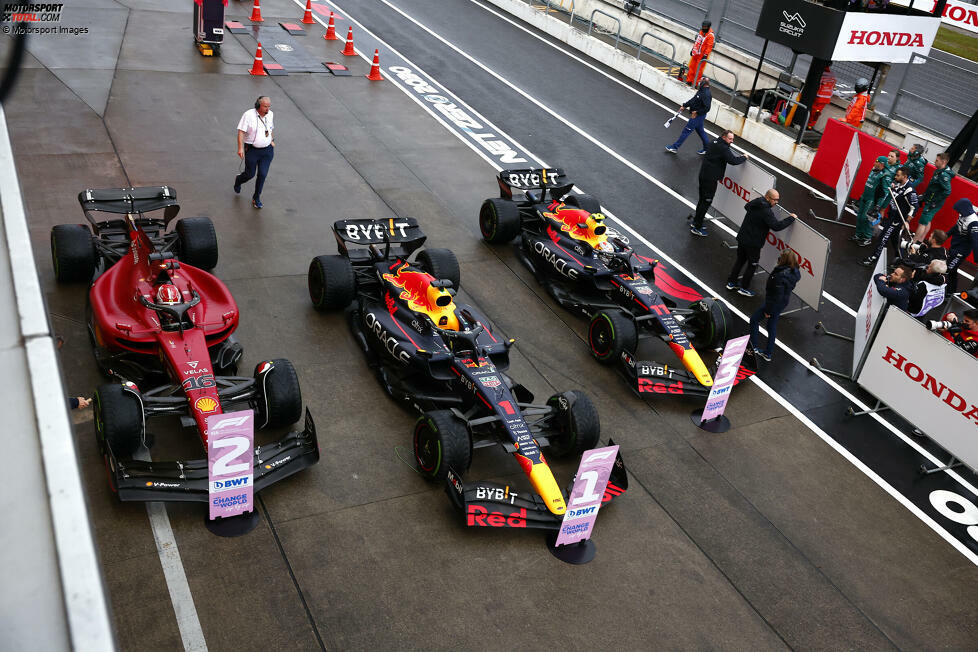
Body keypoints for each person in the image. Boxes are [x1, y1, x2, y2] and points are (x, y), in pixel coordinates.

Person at [726, 189, 796, 297]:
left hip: (743, 237)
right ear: (767, 198)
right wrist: (791, 218)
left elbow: (746, 206)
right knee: (752, 265)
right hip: (753, 243)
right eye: (775, 200)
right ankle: (744, 288)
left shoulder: (756, 202)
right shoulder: (766, 211)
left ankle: (731, 282)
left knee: (740, 260)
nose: (776, 202)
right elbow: (776, 226)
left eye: (778, 200)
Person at [689, 130, 747, 237]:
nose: (732, 141)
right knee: (706, 202)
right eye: (730, 139)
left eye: (732, 139)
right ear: (724, 137)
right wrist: (744, 157)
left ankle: (696, 222)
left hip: (703, 175)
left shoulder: (714, 142)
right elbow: (733, 160)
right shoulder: (723, 148)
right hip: (710, 179)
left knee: (702, 200)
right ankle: (697, 227)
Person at [748, 249, 801, 362]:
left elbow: (776, 295)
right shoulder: (794, 272)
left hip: (773, 303)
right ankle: (768, 353)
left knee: (754, 320)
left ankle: (754, 347)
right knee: (771, 327)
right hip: (782, 302)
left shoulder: (780, 276)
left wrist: (768, 311)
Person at [861, 166, 918, 267]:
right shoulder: (897, 184)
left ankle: (873, 258)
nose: (895, 177)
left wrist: (907, 222)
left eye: (898, 175)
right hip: (892, 216)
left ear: (904, 177)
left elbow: (914, 208)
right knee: (896, 241)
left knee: (882, 238)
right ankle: (900, 261)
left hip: (897, 220)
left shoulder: (910, 190)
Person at [234, 95, 275, 209]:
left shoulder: (270, 114)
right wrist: (240, 148)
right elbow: (241, 132)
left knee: (262, 174)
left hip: (267, 151)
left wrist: (272, 140)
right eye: (265, 106)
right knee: (250, 174)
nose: (267, 109)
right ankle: (238, 180)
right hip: (252, 150)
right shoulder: (248, 115)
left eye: (269, 106)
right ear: (258, 105)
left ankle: (256, 198)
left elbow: (270, 128)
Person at [913, 152, 954, 243]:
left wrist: (935, 201)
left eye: (937, 160)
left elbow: (947, 191)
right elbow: (933, 187)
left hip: (933, 202)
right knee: (927, 221)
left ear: (943, 162)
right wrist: (924, 196)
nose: (935, 162)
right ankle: (920, 241)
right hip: (930, 200)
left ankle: (914, 242)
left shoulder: (944, 175)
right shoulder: (939, 172)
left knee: (922, 223)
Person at [850, 155, 890, 246]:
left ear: (882, 164)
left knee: (866, 219)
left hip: (872, 200)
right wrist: (861, 197)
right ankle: (858, 235)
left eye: (876, 161)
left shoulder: (885, 176)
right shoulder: (873, 170)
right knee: (860, 217)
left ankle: (867, 238)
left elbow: (884, 192)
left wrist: (878, 206)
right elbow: (868, 185)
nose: (874, 162)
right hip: (864, 197)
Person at [665, 78, 712, 155]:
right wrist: (684, 105)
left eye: (700, 81)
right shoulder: (701, 90)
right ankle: (707, 149)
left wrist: (697, 112)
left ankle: (674, 147)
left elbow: (707, 108)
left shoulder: (706, 94)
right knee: (701, 131)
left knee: (686, 131)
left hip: (697, 116)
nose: (698, 82)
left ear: (704, 83)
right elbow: (694, 100)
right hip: (697, 116)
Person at [945, 198, 978, 296]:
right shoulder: (963, 215)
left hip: (961, 251)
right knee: (952, 270)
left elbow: (976, 241)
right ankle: (951, 290)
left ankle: (949, 292)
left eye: (959, 210)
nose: (958, 212)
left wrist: (977, 259)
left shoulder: (973, 222)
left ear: (964, 209)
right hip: (954, 246)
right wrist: (945, 235)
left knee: (949, 269)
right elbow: (956, 227)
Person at [807, 65, 836, 130]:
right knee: (817, 113)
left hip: (818, 97)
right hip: (826, 98)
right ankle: (810, 125)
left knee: (812, 111)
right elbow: (833, 86)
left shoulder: (820, 73)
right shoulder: (832, 75)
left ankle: (808, 124)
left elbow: (815, 84)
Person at [686, 20, 714, 87]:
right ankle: (689, 81)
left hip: (702, 56)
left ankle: (695, 83)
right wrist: (693, 49)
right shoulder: (701, 32)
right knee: (691, 67)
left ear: (708, 27)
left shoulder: (710, 36)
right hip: (696, 53)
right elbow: (697, 42)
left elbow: (709, 47)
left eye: (705, 27)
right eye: (703, 26)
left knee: (698, 71)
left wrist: (705, 55)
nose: (703, 28)